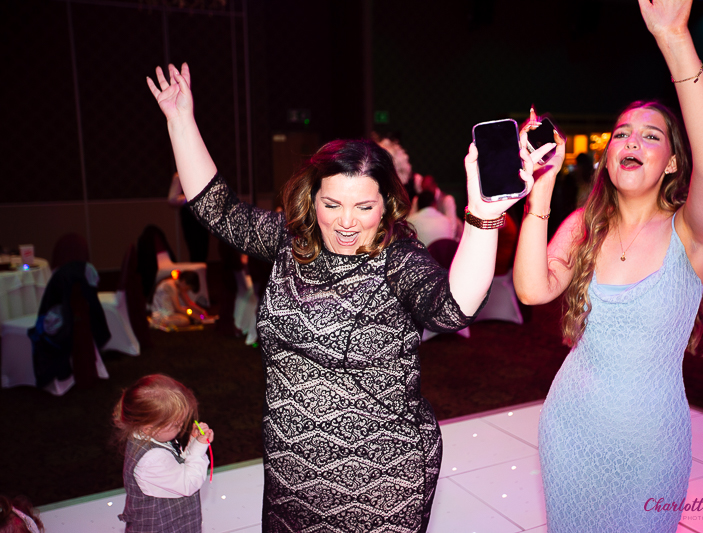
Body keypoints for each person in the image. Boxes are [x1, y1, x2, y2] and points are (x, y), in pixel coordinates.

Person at [147, 62, 556, 531]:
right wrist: (180, 118)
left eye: (364, 206)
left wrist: (483, 216)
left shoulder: (398, 257)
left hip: (381, 483)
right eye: (331, 204)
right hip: (292, 474)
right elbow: (218, 209)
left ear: (386, 206)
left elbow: (451, 309)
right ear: (310, 198)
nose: (346, 222)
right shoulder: (288, 240)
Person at [513, 0, 703, 531]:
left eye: (651, 136)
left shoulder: (689, 232)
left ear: (673, 162)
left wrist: (675, 36)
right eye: (623, 134)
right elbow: (532, 290)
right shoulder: (583, 226)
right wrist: (539, 190)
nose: (631, 141)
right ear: (609, 156)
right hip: (570, 428)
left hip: (651, 442)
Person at [113, 374, 214, 533]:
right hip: (164, 526)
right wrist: (199, 450)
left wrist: (193, 443)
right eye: (176, 424)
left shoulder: (146, 437)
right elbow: (188, 484)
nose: (181, 426)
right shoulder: (152, 459)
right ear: (149, 428)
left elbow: (176, 467)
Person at [168, 172, 210, 263]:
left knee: (203, 250)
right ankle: (196, 275)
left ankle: (201, 274)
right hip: (191, 216)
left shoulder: (203, 172)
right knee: (195, 251)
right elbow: (172, 199)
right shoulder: (179, 175)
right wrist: (190, 198)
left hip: (202, 215)